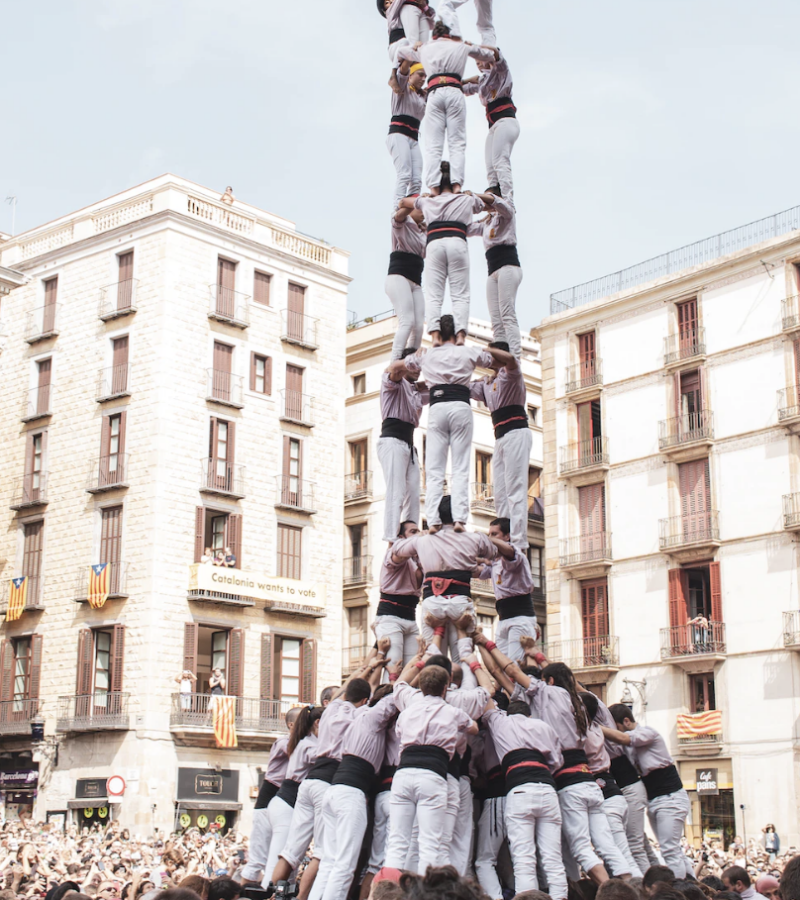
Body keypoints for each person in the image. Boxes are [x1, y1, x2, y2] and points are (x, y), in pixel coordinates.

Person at [480, 647, 630, 884]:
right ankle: (628, 885)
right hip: (589, 782)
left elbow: (508, 672)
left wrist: (484, 644)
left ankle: (609, 891)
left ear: (548, 681)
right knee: (606, 845)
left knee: (578, 848)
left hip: (568, 784)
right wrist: (536, 656)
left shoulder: (547, 697)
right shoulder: (578, 705)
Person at [394, 316, 515, 527]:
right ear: (458, 333)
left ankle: (433, 520)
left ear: (437, 333)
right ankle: (459, 519)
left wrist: (417, 362)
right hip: (460, 405)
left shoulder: (427, 354)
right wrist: (482, 354)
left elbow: (394, 367)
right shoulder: (467, 351)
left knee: (434, 468)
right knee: (460, 467)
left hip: (437, 406)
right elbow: (503, 362)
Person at [272, 674, 376, 892]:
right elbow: (366, 700)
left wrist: (367, 669)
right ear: (364, 701)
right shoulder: (357, 716)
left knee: (291, 851)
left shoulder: (330, 712)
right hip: (328, 783)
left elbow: (344, 693)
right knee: (321, 853)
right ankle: (303, 897)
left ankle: (269, 892)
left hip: (308, 784)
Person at [379, 659, 478, 875]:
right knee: (430, 844)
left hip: (403, 774)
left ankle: (387, 890)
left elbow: (400, 732)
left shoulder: (407, 712)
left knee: (396, 843)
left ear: (421, 686)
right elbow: (474, 728)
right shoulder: (452, 712)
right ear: (446, 687)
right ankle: (426, 890)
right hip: (433, 775)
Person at [391, 495, 514, 660]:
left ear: (437, 515)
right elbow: (494, 553)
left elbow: (397, 549)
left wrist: (419, 535)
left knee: (433, 662)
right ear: (461, 513)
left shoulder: (423, 540)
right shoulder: (474, 538)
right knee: (463, 659)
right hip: (460, 601)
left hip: (433, 602)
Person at [483, 698, 567, 900]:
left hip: (519, 789)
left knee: (523, 858)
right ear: (529, 714)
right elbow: (557, 761)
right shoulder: (543, 726)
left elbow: (487, 702)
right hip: (547, 789)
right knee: (553, 858)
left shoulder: (501, 722)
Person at [319, 686, 398, 900]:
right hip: (350, 794)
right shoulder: (371, 717)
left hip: (335, 790)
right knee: (344, 866)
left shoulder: (354, 716)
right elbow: (394, 697)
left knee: (329, 862)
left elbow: (341, 696)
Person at [602, 706, 693, 879]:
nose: (616, 732)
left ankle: (679, 889)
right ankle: (691, 884)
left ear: (626, 721)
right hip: (655, 800)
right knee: (673, 850)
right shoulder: (629, 746)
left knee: (670, 851)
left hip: (670, 797)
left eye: (616, 727)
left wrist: (596, 727)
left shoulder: (648, 733)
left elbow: (623, 738)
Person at [399, 171, 490, 340]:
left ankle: (435, 336)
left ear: (435, 185)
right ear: (455, 183)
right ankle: (460, 335)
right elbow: (488, 205)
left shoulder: (428, 201)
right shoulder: (465, 199)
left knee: (434, 295)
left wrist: (424, 198)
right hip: (457, 240)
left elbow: (403, 202)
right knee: (460, 295)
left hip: (435, 243)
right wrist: (470, 195)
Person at [417, 22, 495, 192]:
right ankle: (457, 185)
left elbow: (401, 52)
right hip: (454, 92)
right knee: (457, 142)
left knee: (433, 144)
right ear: (450, 34)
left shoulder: (425, 48)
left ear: (434, 34)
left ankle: (433, 187)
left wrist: (416, 46)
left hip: (435, 92)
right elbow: (488, 54)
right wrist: (470, 45)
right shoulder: (459, 46)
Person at [262, 706, 324, 891]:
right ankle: (267, 894)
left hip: (285, 802)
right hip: (287, 804)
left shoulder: (304, 742)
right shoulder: (309, 745)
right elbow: (326, 757)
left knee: (290, 863)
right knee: (281, 860)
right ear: (317, 724)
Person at [241, 708, 301, 885]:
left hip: (287, 800)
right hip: (268, 800)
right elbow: (295, 752)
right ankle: (239, 895)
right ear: (291, 725)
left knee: (285, 858)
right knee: (257, 859)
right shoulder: (283, 742)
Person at [378, 348, 427, 542]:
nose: (418, 370)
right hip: (392, 440)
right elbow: (393, 369)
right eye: (414, 366)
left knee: (413, 495)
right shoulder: (393, 383)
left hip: (409, 444)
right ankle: (391, 537)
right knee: (396, 492)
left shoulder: (416, 391)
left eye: (419, 367)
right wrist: (411, 360)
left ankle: (410, 535)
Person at [468, 191, 523, 357]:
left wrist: (477, 195)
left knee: (507, 313)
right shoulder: (487, 222)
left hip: (508, 266)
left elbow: (500, 204)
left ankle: (515, 355)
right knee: (496, 317)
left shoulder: (507, 213)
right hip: (493, 270)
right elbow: (467, 229)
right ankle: (501, 348)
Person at [475, 517, 536, 659]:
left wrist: (486, 539)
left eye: (494, 534)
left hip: (520, 618)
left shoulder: (516, 554)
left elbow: (509, 552)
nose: (491, 537)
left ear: (507, 536)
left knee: (516, 664)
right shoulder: (494, 562)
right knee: (503, 664)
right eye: (489, 534)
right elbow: (476, 571)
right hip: (503, 618)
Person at [463, 48, 518, 201]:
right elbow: (462, 88)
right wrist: (466, 80)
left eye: (482, 61)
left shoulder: (501, 72)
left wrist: (486, 50)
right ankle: (495, 191)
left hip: (505, 121)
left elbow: (498, 57)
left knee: (500, 160)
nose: (480, 65)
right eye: (477, 63)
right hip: (494, 126)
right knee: (490, 165)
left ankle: (507, 198)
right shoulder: (482, 82)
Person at [375, 521, 424, 668]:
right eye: (413, 532)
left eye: (418, 531)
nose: (418, 535)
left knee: (411, 669)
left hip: (410, 618)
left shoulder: (419, 560)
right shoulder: (394, 553)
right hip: (390, 617)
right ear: (401, 538)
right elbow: (400, 554)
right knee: (393, 666)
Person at [386, 208, 427, 362]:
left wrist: (426, 230)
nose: (423, 212)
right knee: (407, 321)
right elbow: (398, 216)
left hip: (415, 281)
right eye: (420, 208)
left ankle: (411, 362)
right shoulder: (402, 224)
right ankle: (394, 362)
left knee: (419, 326)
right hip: (398, 277)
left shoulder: (422, 232)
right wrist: (410, 204)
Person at [387, 56, 427, 209]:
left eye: (425, 76)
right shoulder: (402, 87)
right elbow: (403, 69)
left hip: (413, 138)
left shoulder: (423, 95)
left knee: (416, 180)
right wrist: (413, 54)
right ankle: (396, 209)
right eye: (420, 75)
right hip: (399, 135)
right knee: (404, 174)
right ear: (411, 75)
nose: (423, 79)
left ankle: (411, 211)